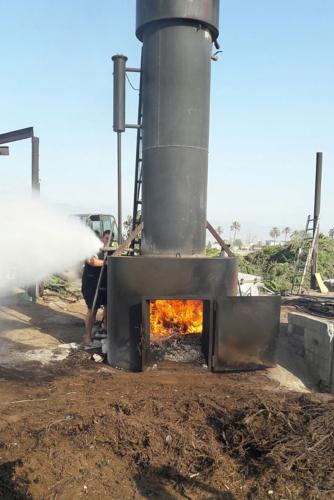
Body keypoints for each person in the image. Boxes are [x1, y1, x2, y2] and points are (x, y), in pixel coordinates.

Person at [81, 230, 111, 345]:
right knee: (92, 309)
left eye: (110, 239)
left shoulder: (111, 251)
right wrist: (107, 262)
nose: (108, 240)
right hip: (91, 282)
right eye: (107, 238)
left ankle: (106, 329)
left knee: (108, 307)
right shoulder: (93, 247)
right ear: (102, 238)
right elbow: (91, 261)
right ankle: (87, 336)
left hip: (104, 282)